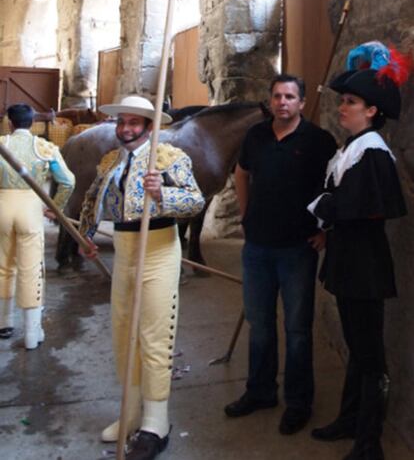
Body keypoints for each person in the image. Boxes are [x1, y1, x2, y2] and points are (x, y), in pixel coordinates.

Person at [79, 95, 204, 460]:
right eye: (122, 123)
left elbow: (195, 201)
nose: (126, 129)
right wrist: (85, 236)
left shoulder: (169, 158)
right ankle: (131, 413)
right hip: (124, 250)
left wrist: (161, 192)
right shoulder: (110, 161)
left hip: (160, 250)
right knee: (123, 332)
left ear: (150, 127)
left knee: (153, 333)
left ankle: (156, 422)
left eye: (134, 123)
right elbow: (91, 200)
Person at [308, 42, 409, 460]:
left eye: (350, 102)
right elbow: (335, 201)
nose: (341, 107)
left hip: (365, 268)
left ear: (371, 111)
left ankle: (369, 444)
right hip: (350, 264)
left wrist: (325, 209)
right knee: (357, 347)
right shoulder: (350, 150)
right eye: (343, 101)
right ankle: (351, 420)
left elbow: (350, 206)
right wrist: (328, 209)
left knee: (369, 356)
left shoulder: (372, 153)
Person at [224, 74, 337, 434]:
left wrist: (325, 230)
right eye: (277, 96)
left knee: (298, 329)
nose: (282, 102)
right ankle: (260, 391)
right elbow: (241, 174)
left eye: (290, 96)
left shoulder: (319, 141)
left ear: (302, 103)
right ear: (270, 101)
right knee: (260, 325)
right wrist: (245, 215)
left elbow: (335, 188)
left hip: (297, 249)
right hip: (257, 247)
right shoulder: (256, 136)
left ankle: (299, 401)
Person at [0, 103, 75, 349]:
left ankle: (4, 322)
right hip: (31, 211)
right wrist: (54, 207)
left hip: (2, 208)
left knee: (3, 266)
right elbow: (67, 181)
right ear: (32, 122)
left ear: (9, 123)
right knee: (31, 268)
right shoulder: (45, 148)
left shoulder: (2, 144)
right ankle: (32, 334)